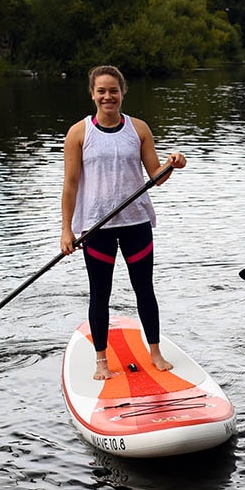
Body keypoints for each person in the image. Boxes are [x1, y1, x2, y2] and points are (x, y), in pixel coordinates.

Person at [60, 65, 186, 380]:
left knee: (145, 289)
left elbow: (155, 177)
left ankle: (155, 352)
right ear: (92, 94)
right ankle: (101, 361)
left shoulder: (139, 129)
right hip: (97, 227)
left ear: (122, 92)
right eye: (101, 91)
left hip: (136, 223)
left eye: (113, 91)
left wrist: (173, 164)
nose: (107, 97)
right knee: (99, 293)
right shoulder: (78, 133)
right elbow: (71, 184)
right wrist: (66, 229)